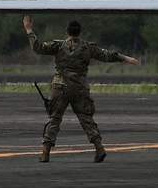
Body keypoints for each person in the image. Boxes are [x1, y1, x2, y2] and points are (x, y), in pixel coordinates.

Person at [23, 15, 140, 162]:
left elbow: (37, 47)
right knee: (86, 119)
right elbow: (107, 55)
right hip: (79, 87)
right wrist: (126, 58)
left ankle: (45, 152)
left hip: (60, 86)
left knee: (54, 119)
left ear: (67, 32)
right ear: (80, 32)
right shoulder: (87, 47)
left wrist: (29, 29)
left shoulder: (58, 46)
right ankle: (99, 148)